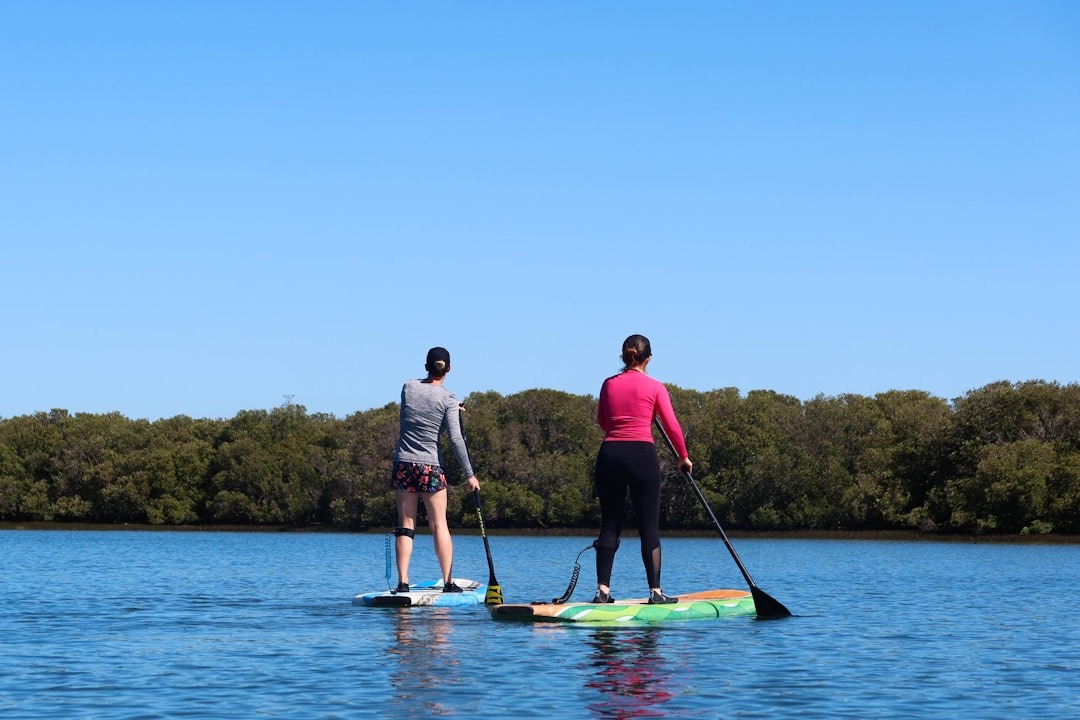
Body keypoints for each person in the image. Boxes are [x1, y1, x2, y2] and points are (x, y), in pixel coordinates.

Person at [593, 334, 692, 605]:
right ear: (648, 358)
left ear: (625, 356)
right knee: (648, 526)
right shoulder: (656, 387)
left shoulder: (608, 384)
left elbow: (603, 420)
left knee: (610, 524)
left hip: (610, 454)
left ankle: (602, 592)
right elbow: (671, 426)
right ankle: (655, 593)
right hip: (641, 456)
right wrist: (683, 457)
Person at [390, 346, 480, 593]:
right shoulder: (449, 399)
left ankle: (402, 583)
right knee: (439, 524)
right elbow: (455, 439)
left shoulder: (408, 387)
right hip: (430, 466)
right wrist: (469, 474)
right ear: (449, 368)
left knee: (405, 525)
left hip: (404, 463)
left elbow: (419, 418)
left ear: (425, 366)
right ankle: (448, 582)